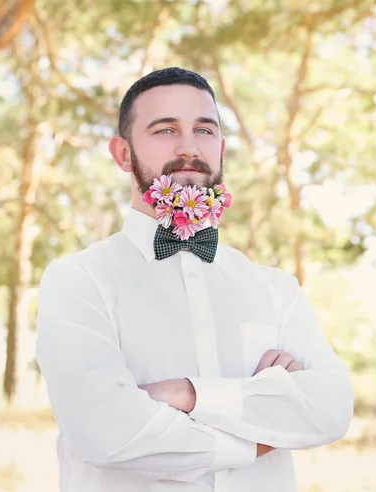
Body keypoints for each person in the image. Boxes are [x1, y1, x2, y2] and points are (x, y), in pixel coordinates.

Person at [35, 67, 353, 492]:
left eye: (203, 130)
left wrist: (189, 395)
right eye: (165, 130)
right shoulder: (78, 281)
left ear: (221, 148)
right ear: (123, 154)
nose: (189, 147)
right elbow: (105, 431)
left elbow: (332, 408)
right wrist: (259, 436)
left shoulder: (276, 290)